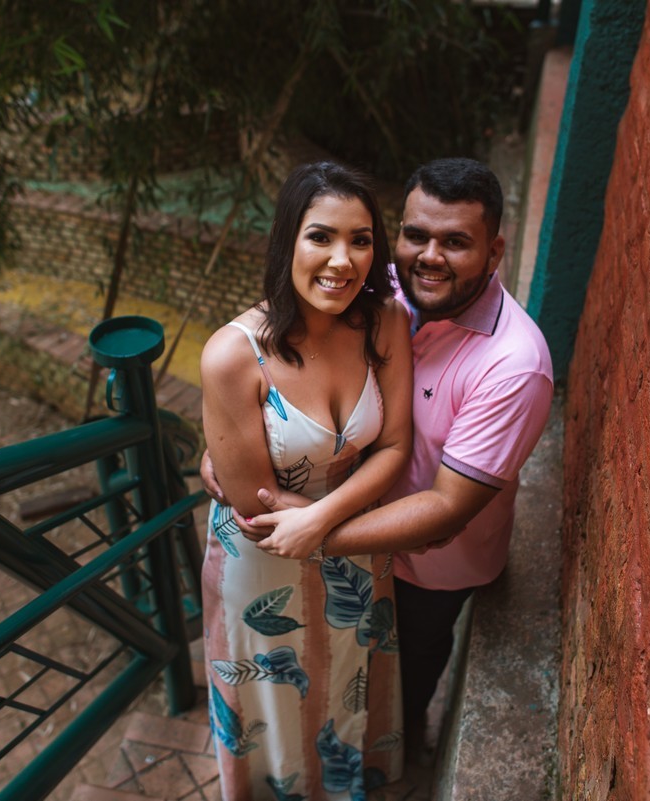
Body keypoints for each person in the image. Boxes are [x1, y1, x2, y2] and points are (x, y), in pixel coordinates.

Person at [211, 157, 554, 761]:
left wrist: (317, 530)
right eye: (416, 235)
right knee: (314, 680)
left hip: (428, 563)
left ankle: (392, 760)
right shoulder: (380, 287)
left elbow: (446, 510)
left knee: (402, 676)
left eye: (456, 242)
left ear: (495, 251)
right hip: (331, 532)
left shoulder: (515, 367)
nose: (430, 257)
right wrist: (225, 437)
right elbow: (274, 347)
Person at [199, 161, 412, 799]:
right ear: (286, 240)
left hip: (355, 541)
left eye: (360, 240)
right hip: (264, 561)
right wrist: (332, 520)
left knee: (348, 680)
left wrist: (323, 518)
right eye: (321, 236)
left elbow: (394, 446)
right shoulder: (234, 355)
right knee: (277, 703)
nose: (342, 260)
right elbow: (256, 505)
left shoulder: (384, 321)